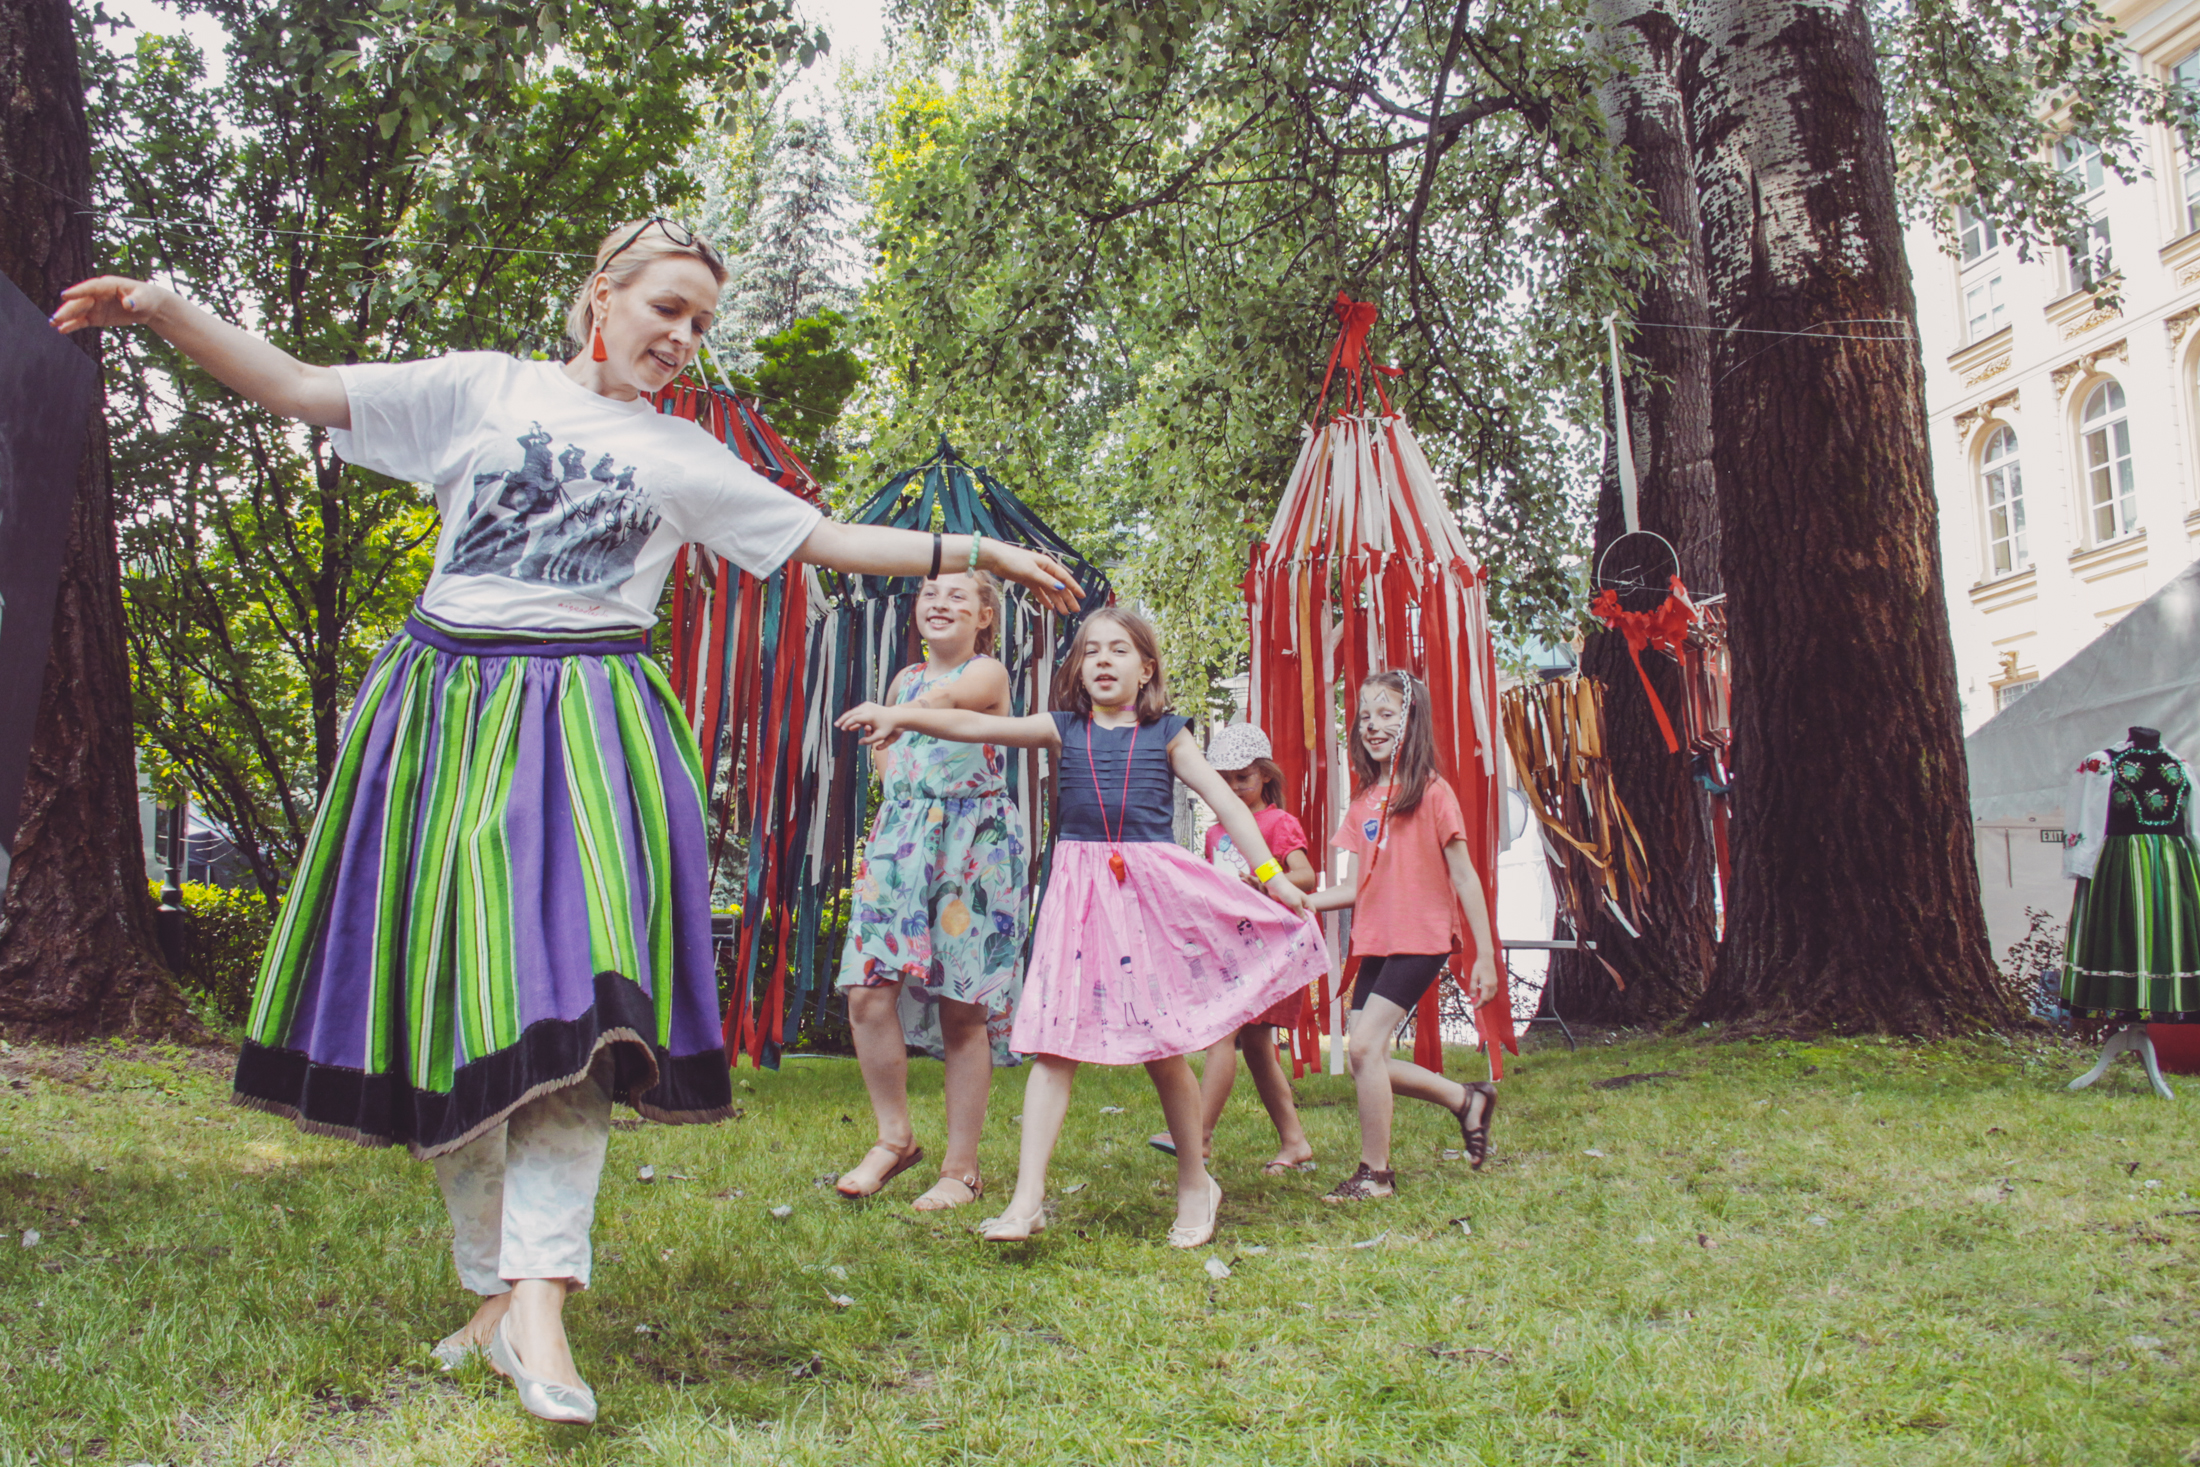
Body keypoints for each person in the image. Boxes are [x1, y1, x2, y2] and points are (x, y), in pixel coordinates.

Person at [53, 219, 1079, 1426]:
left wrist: (984, 553)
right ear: (604, 294)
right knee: (453, 1008)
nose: (684, 341)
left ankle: (541, 1295)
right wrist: (163, 306)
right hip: (441, 714)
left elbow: (822, 538)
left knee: (581, 1010)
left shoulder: (680, 452)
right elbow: (292, 384)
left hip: (589, 723)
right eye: (668, 310)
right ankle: (491, 1288)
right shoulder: (481, 390)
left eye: (702, 325)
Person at [836, 609, 1326, 1247]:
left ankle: (1194, 1182)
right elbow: (972, 722)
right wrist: (901, 716)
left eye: (1118, 650)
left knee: (1163, 1048)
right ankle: (1025, 1199)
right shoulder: (1063, 728)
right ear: (1078, 668)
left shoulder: (1169, 734)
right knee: (1054, 1047)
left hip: (1147, 899)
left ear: (1145, 667)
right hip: (1078, 896)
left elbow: (1228, 802)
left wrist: (1275, 877)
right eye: (1091, 650)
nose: (1102, 660)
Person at [832, 570, 1027, 1210]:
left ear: (983, 619)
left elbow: (944, 710)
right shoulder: (903, 683)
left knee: (961, 1003)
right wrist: (900, 795)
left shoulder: (986, 674)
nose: (939, 604)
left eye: (958, 598)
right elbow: (888, 755)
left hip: (971, 848)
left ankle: (961, 1168)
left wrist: (894, 717)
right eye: (929, 595)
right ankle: (894, 1139)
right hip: (903, 842)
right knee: (866, 989)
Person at [1303, 670, 1501, 1201]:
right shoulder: (1365, 799)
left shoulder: (1433, 793)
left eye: (1386, 714)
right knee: (1368, 1055)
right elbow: (1351, 887)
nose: (1373, 725)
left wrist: (1484, 956)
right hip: (1376, 940)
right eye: (1365, 715)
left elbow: (1464, 876)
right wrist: (1298, 899)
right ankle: (1467, 1100)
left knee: (1365, 1048)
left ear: (1411, 722)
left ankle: (1376, 1174)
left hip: (1422, 938)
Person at [1146, 723, 1319, 1175]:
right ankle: (1294, 1141)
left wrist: (1265, 880)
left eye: (1242, 777)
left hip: (1271, 950)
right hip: (1230, 948)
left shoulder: (1279, 823)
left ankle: (1198, 1136)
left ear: (1264, 775)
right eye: (1222, 779)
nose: (1232, 787)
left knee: (1222, 1033)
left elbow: (1306, 878)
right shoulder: (1215, 833)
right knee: (1259, 1048)